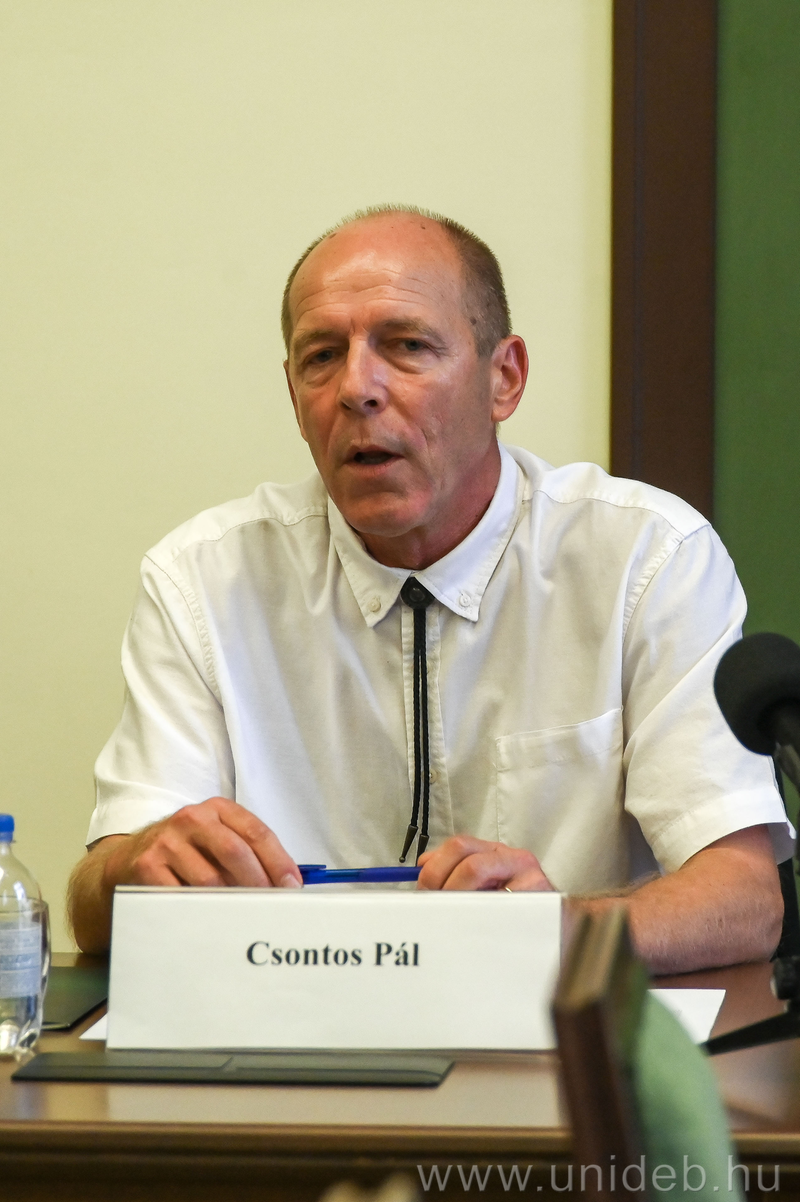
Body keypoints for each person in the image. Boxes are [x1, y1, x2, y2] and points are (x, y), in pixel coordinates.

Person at [68, 206, 790, 972]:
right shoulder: (203, 579)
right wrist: (133, 866)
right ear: (294, 395)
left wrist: (558, 929)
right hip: (294, 1020)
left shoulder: (646, 558)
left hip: (555, 1023)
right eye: (321, 356)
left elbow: (746, 899)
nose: (357, 389)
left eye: (407, 346)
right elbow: (92, 903)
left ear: (504, 378)